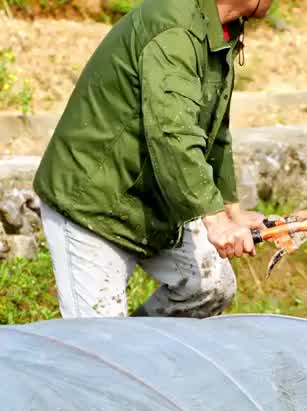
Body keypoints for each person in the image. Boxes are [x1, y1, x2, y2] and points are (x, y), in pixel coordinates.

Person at [33, 0, 274, 318]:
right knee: (99, 346)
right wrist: (213, 221)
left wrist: (230, 211)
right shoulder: (174, 29)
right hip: (93, 204)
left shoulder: (223, 29)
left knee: (211, 287)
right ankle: (116, 357)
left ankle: (141, 355)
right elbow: (172, 134)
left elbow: (214, 129)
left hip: (148, 199)